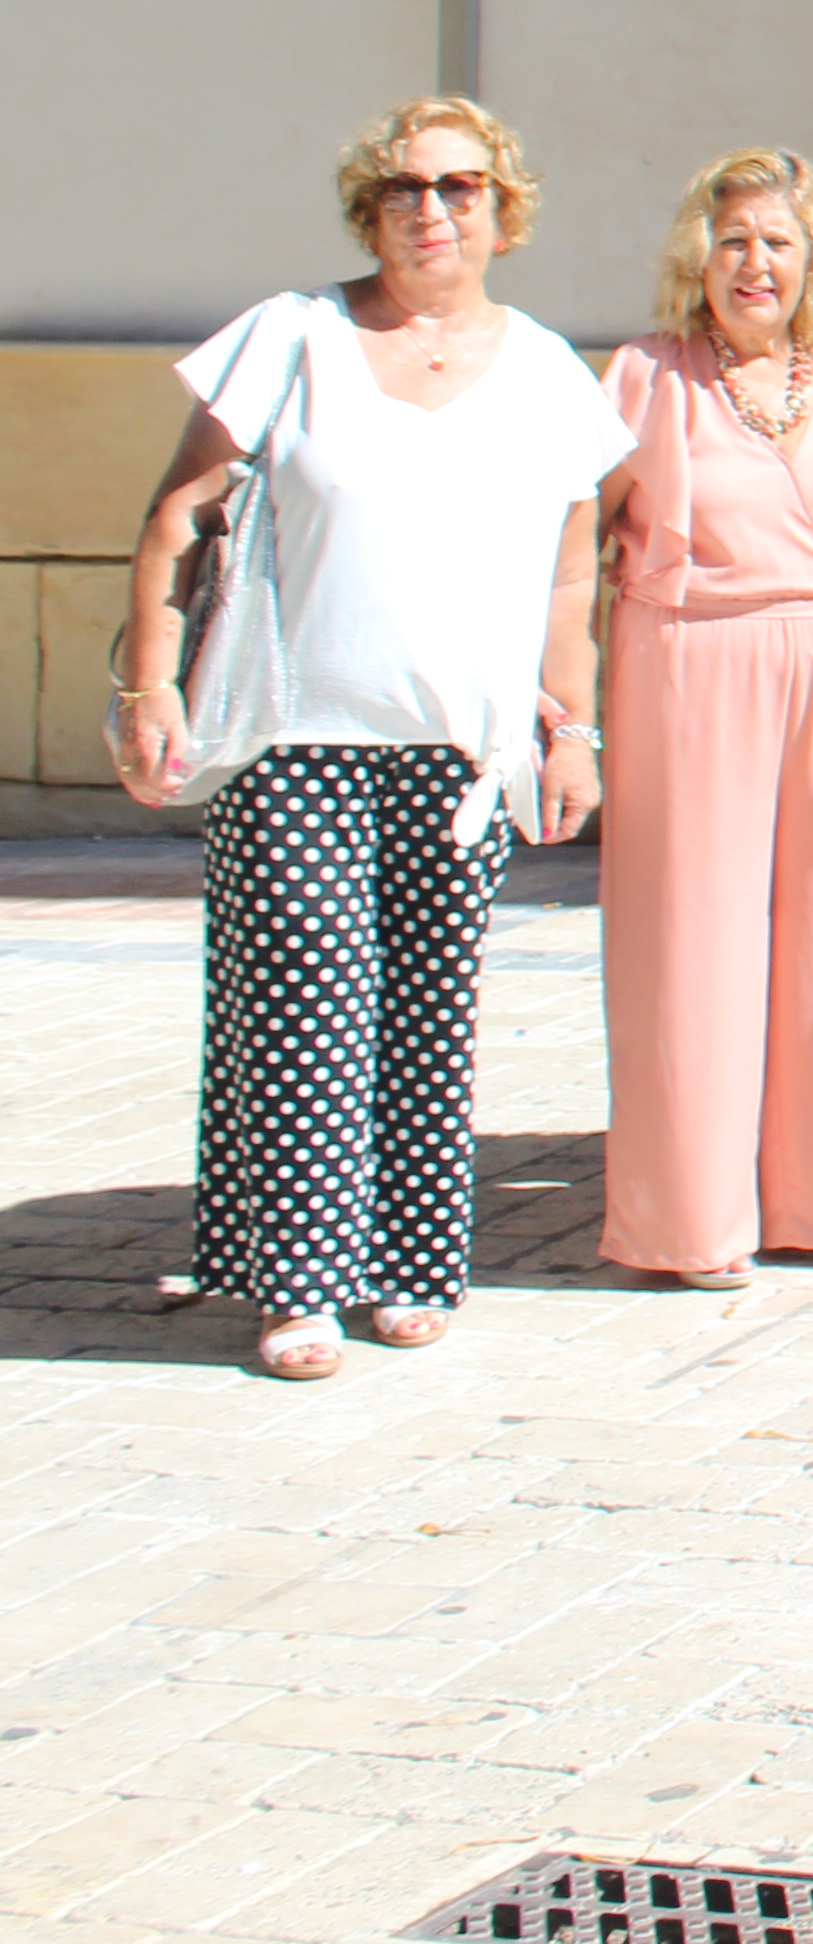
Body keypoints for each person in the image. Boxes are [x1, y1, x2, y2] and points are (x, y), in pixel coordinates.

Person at [114, 103, 632, 1377]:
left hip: (459, 749)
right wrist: (148, 686)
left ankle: (407, 1263)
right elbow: (178, 514)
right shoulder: (290, 338)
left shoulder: (552, 374)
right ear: (370, 207)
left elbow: (572, 585)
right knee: (303, 1003)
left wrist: (574, 732)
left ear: (503, 211)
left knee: (424, 1014)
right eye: (404, 186)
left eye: (461, 186)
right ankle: (298, 1284)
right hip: (293, 730)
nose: (431, 207)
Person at [594, 150, 813, 1288]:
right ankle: (688, 1225)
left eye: (778, 241)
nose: (754, 264)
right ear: (698, 259)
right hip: (685, 668)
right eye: (732, 243)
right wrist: (563, 710)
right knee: (691, 947)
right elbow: (572, 544)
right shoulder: (644, 374)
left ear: (811, 258)